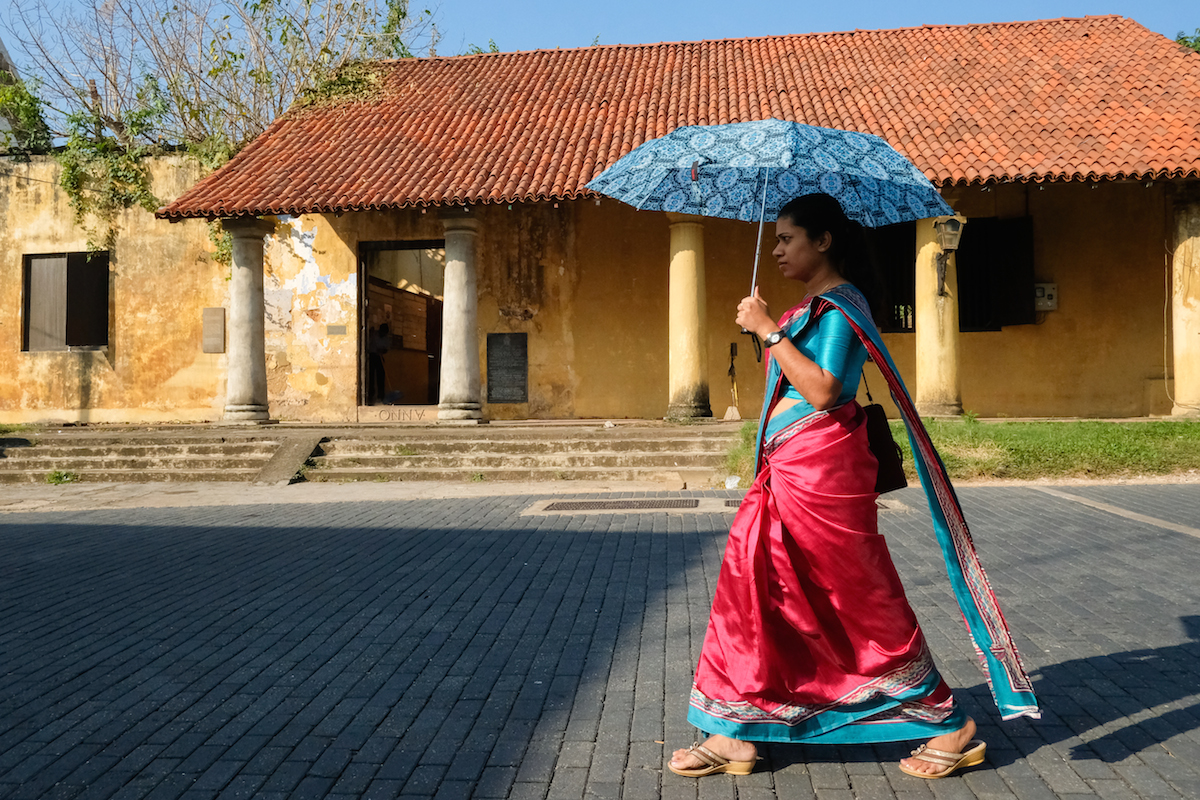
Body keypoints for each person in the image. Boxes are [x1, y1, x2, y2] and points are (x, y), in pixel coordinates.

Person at [668, 193, 1039, 780]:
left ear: (824, 241)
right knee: (755, 582)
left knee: (854, 593)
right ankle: (736, 730)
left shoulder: (840, 307)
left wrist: (766, 330)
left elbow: (822, 392)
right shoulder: (804, 311)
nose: (778, 250)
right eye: (776, 241)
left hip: (823, 474)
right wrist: (773, 327)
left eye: (788, 239)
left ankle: (949, 723)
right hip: (785, 470)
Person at [368, 323, 390, 404]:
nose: (383, 334)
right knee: (371, 376)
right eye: (382, 332)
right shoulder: (374, 335)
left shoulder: (386, 339)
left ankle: (381, 395)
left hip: (379, 356)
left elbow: (386, 349)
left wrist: (382, 350)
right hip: (372, 356)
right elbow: (369, 344)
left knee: (381, 375)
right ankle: (371, 395)